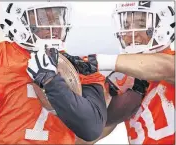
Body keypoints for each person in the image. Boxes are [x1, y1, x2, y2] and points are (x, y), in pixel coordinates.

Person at [0, 2, 107, 144]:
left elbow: (91, 128)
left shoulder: (78, 62)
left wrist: (51, 81)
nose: (54, 26)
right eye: (42, 18)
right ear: (17, 19)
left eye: (57, 17)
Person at [65, 1, 175, 144]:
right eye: (127, 25)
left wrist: (97, 61)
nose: (130, 33)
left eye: (141, 24)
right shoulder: (123, 77)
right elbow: (84, 139)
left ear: (164, 26)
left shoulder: (169, 63)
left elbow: (166, 68)